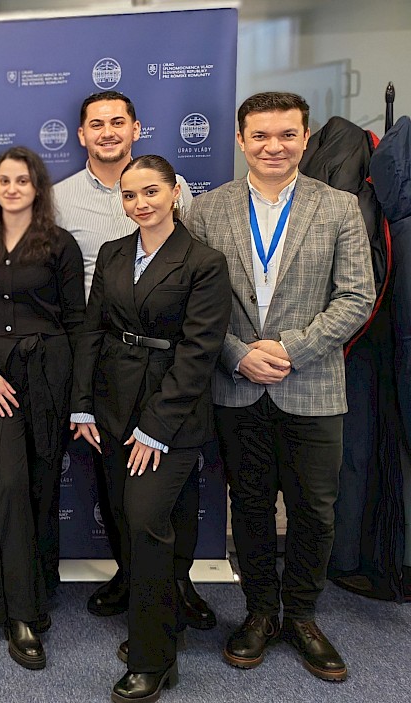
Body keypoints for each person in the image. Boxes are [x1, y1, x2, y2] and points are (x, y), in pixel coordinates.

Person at [185, 91, 375, 683]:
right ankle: (261, 612)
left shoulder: (339, 207)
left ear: (305, 138)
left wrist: (293, 350)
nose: (274, 146)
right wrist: (238, 354)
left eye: (287, 135)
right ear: (241, 140)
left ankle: (305, 616)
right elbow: (192, 302)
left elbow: (357, 296)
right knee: (249, 506)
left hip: (312, 385)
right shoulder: (205, 211)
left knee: (315, 510)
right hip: (237, 385)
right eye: (261, 136)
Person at [71, 155, 231, 702]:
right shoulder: (114, 252)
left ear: (174, 192)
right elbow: (92, 331)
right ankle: (166, 622)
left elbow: (199, 352)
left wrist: (156, 429)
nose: (139, 203)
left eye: (150, 192)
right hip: (113, 404)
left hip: (172, 416)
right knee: (127, 519)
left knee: (146, 524)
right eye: (129, 195)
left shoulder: (204, 261)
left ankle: (153, 659)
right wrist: (82, 405)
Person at [54, 90, 212, 628]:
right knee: (117, 491)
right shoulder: (61, 199)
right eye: (96, 124)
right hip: (107, 361)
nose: (108, 132)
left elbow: (192, 266)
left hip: (169, 363)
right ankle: (132, 577)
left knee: (173, 494)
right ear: (82, 135)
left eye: (117, 122)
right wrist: (81, 394)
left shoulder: (174, 186)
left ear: (136, 128)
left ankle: (176, 585)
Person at [0, 147, 85, 669]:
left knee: (40, 485)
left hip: (48, 373)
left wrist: (79, 399)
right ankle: (16, 611)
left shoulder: (59, 243)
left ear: (38, 187)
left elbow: (77, 321)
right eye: (4, 181)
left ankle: (38, 591)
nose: (12, 189)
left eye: (22, 180)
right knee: (5, 487)